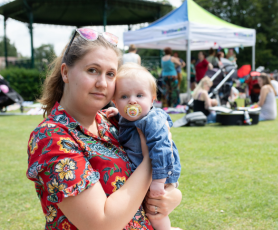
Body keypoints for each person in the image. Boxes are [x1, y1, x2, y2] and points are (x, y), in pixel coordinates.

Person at [26, 28, 182, 230]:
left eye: (110, 74)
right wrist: (150, 161)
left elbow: (162, 180)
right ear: (65, 72)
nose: (102, 83)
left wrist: (171, 197)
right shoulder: (51, 137)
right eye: (92, 70)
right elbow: (101, 224)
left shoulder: (111, 121)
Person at [106, 63, 181, 230]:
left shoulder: (152, 120)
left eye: (140, 95)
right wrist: (118, 115)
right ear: (115, 101)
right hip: (143, 173)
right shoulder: (127, 117)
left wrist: (158, 181)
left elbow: (161, 149)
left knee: (155, 211)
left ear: (152, 99)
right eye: (124, 97)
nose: (132, 100)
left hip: (159, 173)